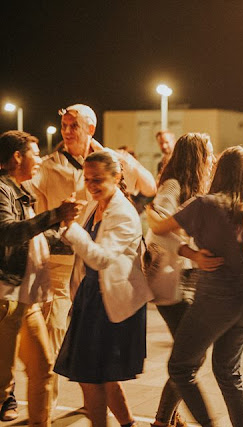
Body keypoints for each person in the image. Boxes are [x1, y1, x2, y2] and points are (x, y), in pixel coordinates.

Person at [25, 104, 156, 411]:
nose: (67, 131)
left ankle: (62, 411)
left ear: (91, 129)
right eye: (64, 125)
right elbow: (27, 190)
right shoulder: (50, 165)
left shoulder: (118, 196)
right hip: (70, 276)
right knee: (88, 371)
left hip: (107, 294)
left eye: (75, 126)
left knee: (92, 374)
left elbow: (148, 186)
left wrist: (117, 159)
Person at [147, 146, 243, 427]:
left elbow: (160, 227)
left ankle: (209, 424)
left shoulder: (204, 204)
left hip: (214, 299)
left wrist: (149, 211)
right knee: (229, 373)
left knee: (180, 368)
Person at [54, 149, 153, 427]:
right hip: (91, 298)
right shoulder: (92, 205)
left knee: (90, 377)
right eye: (87, 180)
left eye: (98, 179)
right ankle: (128, 424)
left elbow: (101, 258)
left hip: (111, 304)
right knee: (102, 376)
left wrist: (70, 227)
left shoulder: (124, 213)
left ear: (117, 175)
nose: (92, 186)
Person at [0, 131, 81, 426]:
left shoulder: (21, 192)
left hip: (27, 301)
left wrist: (72, 235)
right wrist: (55, 214)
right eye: (35, 153)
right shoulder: (1, 189)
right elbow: (7, 232)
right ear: (17, 156)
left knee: (43, 369)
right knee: (1, 383)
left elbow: (34, 237)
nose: (40, 159)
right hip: (5, 299)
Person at [145, 133, 216, 427]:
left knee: (187, 356)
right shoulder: (173, 185)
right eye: (209, 154)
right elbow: (158, 226)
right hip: (170, 284)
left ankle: (168, 418)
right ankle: (163, 420)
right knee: (191, 358)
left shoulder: (192, 187)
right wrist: (192, 252)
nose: (212, 159)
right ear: (196, 157)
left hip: (184, 283)